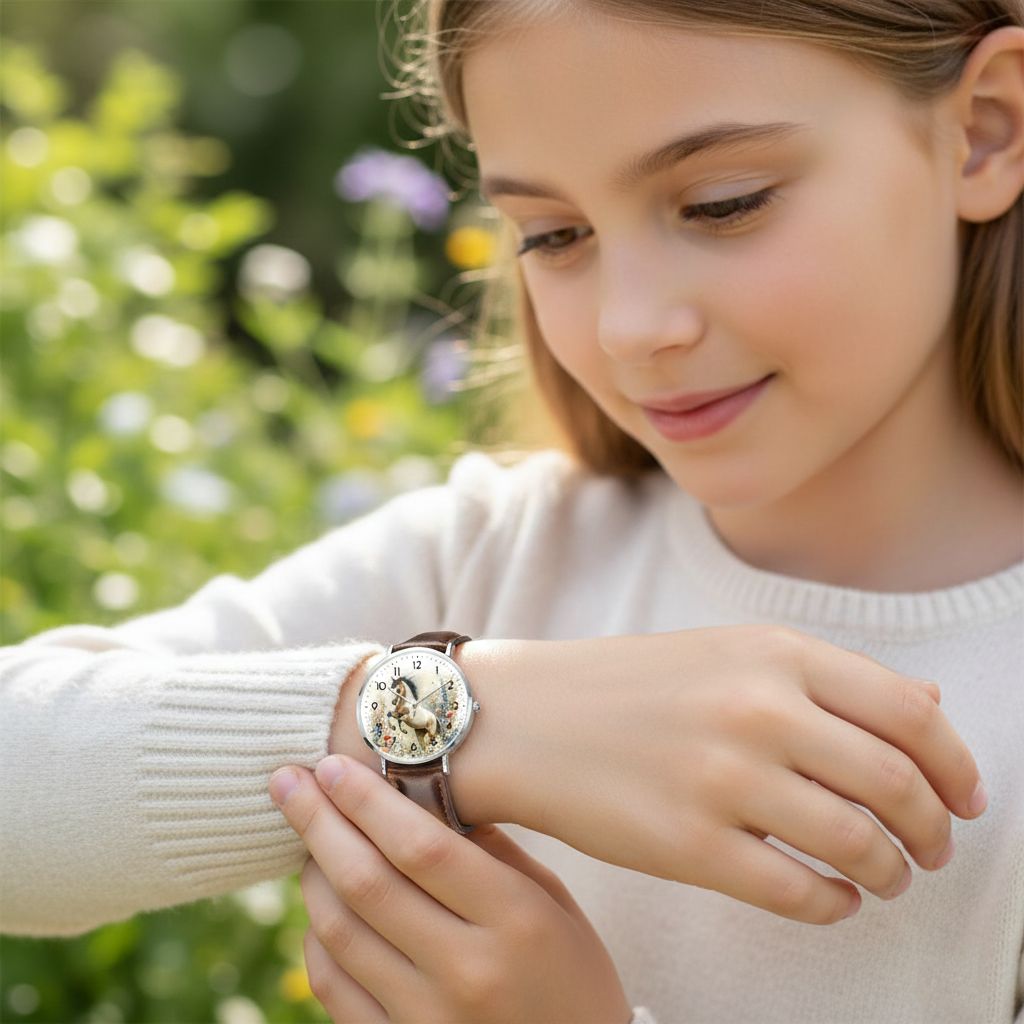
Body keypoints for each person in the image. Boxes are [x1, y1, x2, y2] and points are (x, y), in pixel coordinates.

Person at [2, 0, 1022, 1021]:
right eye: (554, 234)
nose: (629, 326)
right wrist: (472, 717)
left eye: (722, 203)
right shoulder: (491, 559)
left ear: (985, 127)